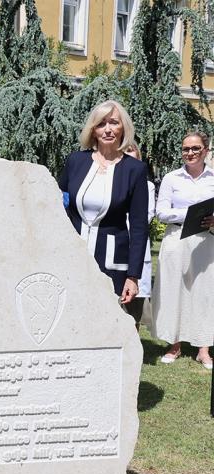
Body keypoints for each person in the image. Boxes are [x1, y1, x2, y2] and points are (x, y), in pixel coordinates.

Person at [58, 100, 149, 304]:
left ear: (123, 127)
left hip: (111, 261)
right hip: (70, 255)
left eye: (114, 123)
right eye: (101, 124)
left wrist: (133, 276)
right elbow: (58, 207)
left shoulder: (134, 169)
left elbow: (139, 226)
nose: (108, 129)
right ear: (93, 130)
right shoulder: (75, 161)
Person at [151, 131, 214, 369]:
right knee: (173, 290)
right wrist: (191, 213)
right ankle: (174, 344)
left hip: (205, 240)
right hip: (176, 237)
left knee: (205, 293)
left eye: (195, 148)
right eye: (186, 149)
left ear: (205, 151)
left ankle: (203, 349)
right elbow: (162, 212)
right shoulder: (171, 178)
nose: (190, 153)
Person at [122, 144, 156, 328]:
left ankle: (133, 343)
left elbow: (146, 215)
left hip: (135, 243)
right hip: (117, 244)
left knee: (135, 301)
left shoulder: (147, 186)